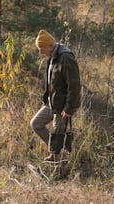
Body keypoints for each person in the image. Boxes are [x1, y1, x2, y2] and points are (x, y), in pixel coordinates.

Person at [30, 29, 81, 161]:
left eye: (41, 48)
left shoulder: (66, 58)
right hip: (52, 103)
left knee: (58, 135)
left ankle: (59, 166)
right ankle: (56, 152)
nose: (40, 52)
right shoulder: (52, 57)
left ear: (50, 46)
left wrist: (69, 108)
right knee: (36, 123)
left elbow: (74, 86)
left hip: (63, 106)